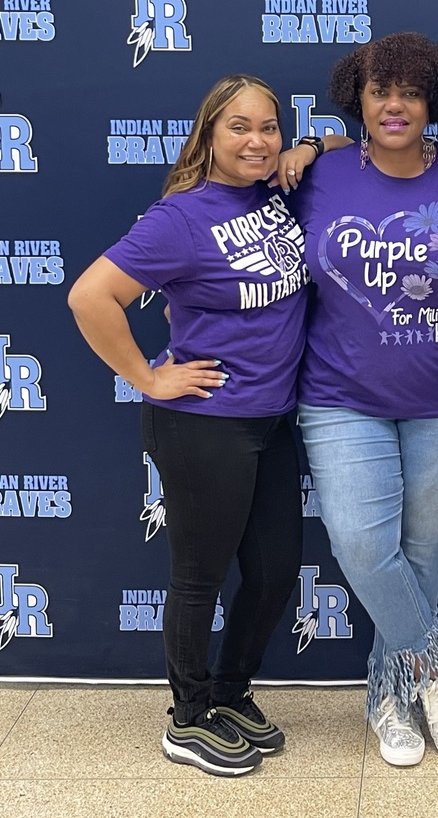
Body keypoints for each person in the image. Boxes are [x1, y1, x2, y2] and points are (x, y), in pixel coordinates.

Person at [68, 74, 349, 777]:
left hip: (271, 419)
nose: (256, 140)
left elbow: (346, 141)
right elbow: (91, 295)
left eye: (269, 127)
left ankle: (229, 692)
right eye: (239, 128)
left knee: (277, 567)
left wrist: (311, 144)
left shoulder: (279, 193)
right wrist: (147, 376)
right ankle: (187, 716)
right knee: (200, 575)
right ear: (209, 135)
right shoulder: (181, 217)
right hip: (203, 424)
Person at [287, 32, 438, 767]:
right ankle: (433, 662)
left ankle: (388, 694)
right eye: (380, 90)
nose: (395, 104)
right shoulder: (319, 174)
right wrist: (307, 147)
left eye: (410, 91)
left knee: (418, 549)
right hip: (341, 394)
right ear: (358, 98)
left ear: (431, 100)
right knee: (361, 542)